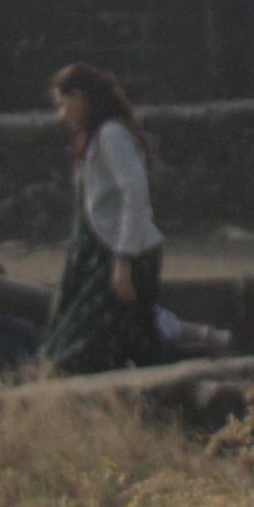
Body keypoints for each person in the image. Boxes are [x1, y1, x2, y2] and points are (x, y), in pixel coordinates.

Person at [50, 64, 168, 374]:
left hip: (121, 256)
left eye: (63, 103)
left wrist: (124, 260)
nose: (63, 114)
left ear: (78, 97)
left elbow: (135, 193)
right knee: (131, 343)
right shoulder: (93, 139)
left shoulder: (111, 135)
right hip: (99, 256)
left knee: (78, 349)